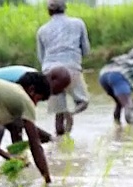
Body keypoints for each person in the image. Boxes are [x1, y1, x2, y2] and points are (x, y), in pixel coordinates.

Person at [0, 65, 72, 162]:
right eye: (60, 88)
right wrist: (49, 138)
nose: (60, 92)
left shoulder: (37, 81)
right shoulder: (30, 81)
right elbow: (24, 121)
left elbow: (20, 120)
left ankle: (18, 159)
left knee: (15, 127)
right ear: (52, 79)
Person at [37, 0, 91, 136]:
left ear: (49, 11)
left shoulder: (42, 30)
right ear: (64, 8)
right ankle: (71, 113)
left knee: (58, 113)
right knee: (83, 102)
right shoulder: (78, 23)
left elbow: (41, 57)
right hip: (71, 68)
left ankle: (60, 143)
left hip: (50, 71)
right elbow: (86, 50)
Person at [99, 46, 133, 125]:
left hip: (103, 75)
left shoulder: (122, 58)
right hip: (118, 76)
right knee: (129, 106)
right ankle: (131, 131)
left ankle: (117, 127)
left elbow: (123, 96)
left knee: (120, 103)